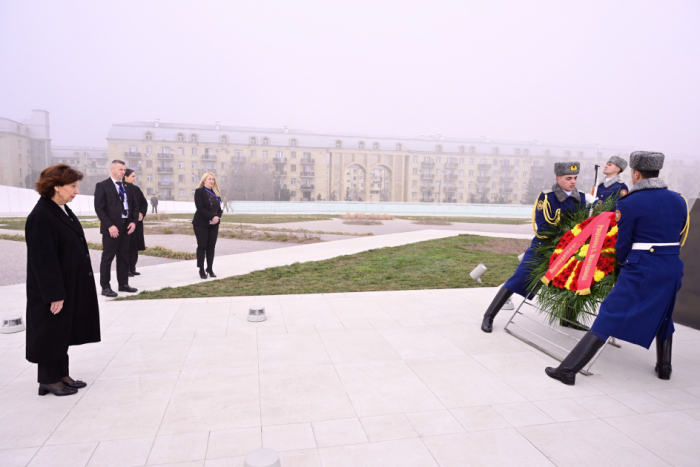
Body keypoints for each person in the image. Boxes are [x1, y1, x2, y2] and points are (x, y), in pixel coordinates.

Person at [546, 151, 689, 385]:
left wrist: (621, 268)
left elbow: (623, 243)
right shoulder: (678, 199)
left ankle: (568, 370)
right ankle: (664, 367)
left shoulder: (631, 201)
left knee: (609, 314)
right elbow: (680, 232)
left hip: (642, 267)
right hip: (672, 266)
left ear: (636, 173)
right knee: (664, 314)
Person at [481, 162, 588, 333]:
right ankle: (489, 316)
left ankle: (568, 318)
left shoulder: (581, 198)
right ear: (558, 179)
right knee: (518, 279)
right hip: (544, 247)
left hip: (570, 249)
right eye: (569, 178)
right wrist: (567, 236)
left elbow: (583, 224)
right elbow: (544, 226)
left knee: (574, 280)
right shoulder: (547, 197)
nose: (573, 182)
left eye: (575, 178)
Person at [26, 164, 101, 397]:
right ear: (56, 187)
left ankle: (61, 373)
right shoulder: (41, 216)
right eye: (73, 186)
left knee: (61, 330)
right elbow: (43, 260)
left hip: (67, 283)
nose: (76, 191)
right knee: (50, 330)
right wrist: (54, 294)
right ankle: (48, 379)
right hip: (52, 288)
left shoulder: (59, 209)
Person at [94, 160, 139, 297]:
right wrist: (110, 226)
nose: (123, 172)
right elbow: (99, 209)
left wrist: (133, 222)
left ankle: (123, 284)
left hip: (126, 227)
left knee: (124, 257)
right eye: (120, 169)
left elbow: (135, 206)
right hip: (111, 229)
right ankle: (105, 287)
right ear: (112, 169)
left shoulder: (128, 186)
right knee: (107, 258)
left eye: (124, 170)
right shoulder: (102, 186)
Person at [193, 172, 223, 279]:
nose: (211, 181)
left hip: (214, 224)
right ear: (204, 180)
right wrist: (211, 217)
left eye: (213, 179)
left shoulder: (216, 192)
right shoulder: (199, 191)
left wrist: (217, 219)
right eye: (209, 179)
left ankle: (209, 268)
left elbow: (220, 209)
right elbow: (200, 208)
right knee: (202, 246)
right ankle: (201, 269)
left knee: (211, 247)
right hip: (201, 223)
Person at [124, 169, 148, 277]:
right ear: (126, 177)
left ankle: (133, 268)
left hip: (137, 223)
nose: (135, 178)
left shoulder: (136, 189)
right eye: (133, 176)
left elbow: (144, 203)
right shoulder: (121, 189)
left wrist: (141, 213)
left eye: (135, 176)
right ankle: (126, 269)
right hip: (127, 223)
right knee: (127, 247)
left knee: (135, 246)